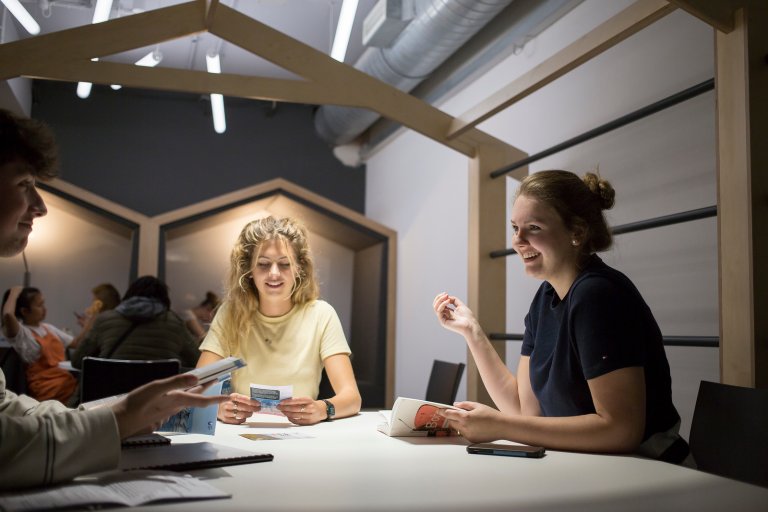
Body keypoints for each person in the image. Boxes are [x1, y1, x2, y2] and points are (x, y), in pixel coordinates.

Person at [0, 107, 226, 490]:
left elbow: (72, 362)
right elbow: (190, 360)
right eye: (24, 184)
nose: (40, 206)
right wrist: (121, 414)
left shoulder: (106, 320)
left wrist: (120, 410)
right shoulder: (172, 321)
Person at [433, 170, 691, 465]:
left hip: (654, 470)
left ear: (577, 233)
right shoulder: (545, 299)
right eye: (515, 227)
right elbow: (523, 411)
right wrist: (472, 332)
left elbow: (621, 430)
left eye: (534, 227)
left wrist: (500, 426)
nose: (518, 240)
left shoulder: (598, 295)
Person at [197, 216, 362, 425]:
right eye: (263, 264)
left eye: (284, 264)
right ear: (249, 271)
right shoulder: (230, 313)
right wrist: (218, 408)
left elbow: (352, 398)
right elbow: (198, 390)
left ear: (299, 268)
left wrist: (322, 408)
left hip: (304, 437)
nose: (274, 274)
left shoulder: (322, 314)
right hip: (240, 435)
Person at [71, 275, 201, 370]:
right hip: (158, 402)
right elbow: (197, 361)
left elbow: (77, 361)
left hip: (108, 400)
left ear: (129, 294)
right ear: (164, 299)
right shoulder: (174, 323)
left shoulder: (105, 319)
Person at [2, 286, 78, 403]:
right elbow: (7, 314)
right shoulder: (22, 333)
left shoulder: (48, 328)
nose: (44, 309)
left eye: (43, 304)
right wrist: (14, 292)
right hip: (49, 391)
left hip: (67, 383)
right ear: (25, 311)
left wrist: (90, 321)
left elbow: (77, 343)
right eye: (39, 305)